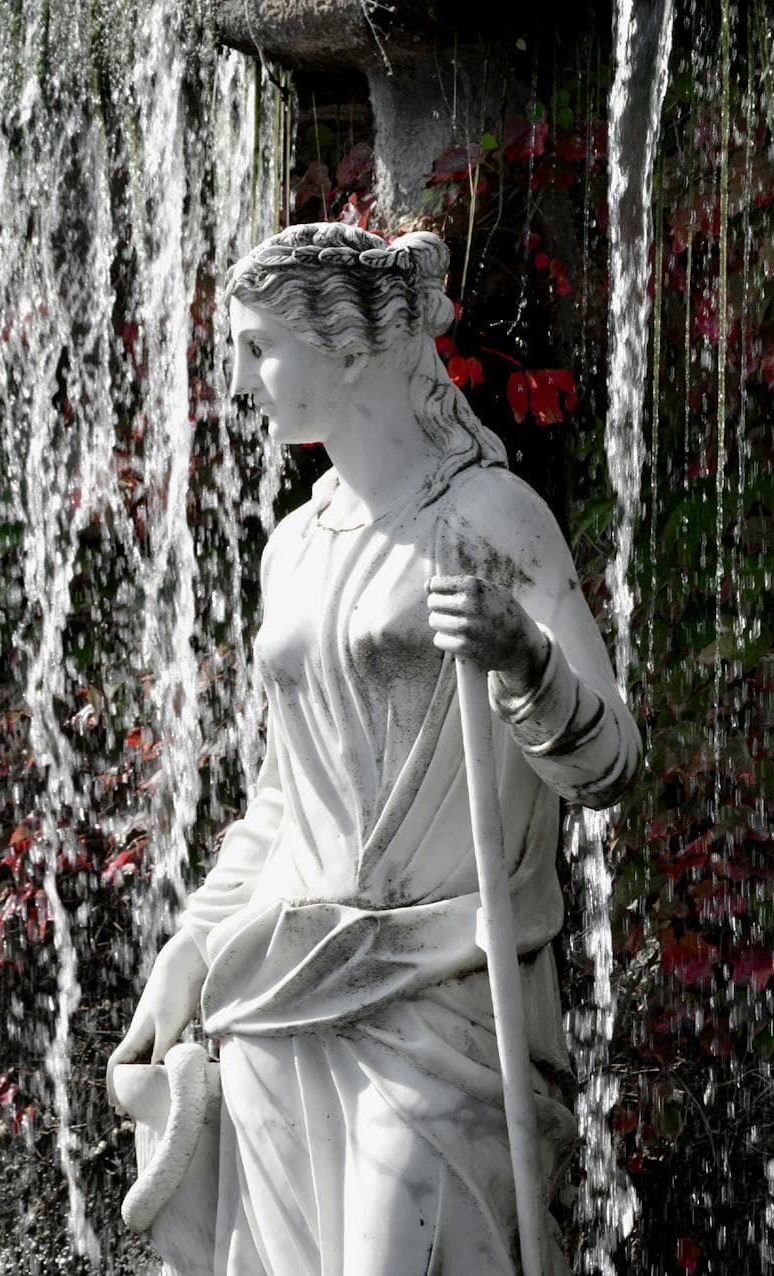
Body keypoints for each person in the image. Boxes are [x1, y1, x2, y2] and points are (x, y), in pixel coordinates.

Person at [106, 222, 640, 1276]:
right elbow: (280, 801)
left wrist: (524, 659)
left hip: (442, 991)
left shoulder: (489, 517)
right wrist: (194, 946)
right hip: (278, 994)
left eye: (260, 349)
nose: (240, 381)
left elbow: (610, 762)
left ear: (347, 349)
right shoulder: (291, 551)